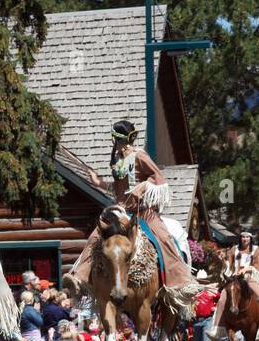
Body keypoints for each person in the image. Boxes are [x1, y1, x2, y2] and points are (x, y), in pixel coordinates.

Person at [64, 119, 197, 317]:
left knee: (164, 238)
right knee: (96, 237)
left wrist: (143, 187)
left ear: (120, 139)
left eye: (115, 139)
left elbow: (160, 179)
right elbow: (118, 189)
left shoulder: (140, 156)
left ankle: (180, 282)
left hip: (144, 211)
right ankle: (80, 278)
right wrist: (98, 183)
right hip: (121, 210)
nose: (114, 143)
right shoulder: (117, 159)